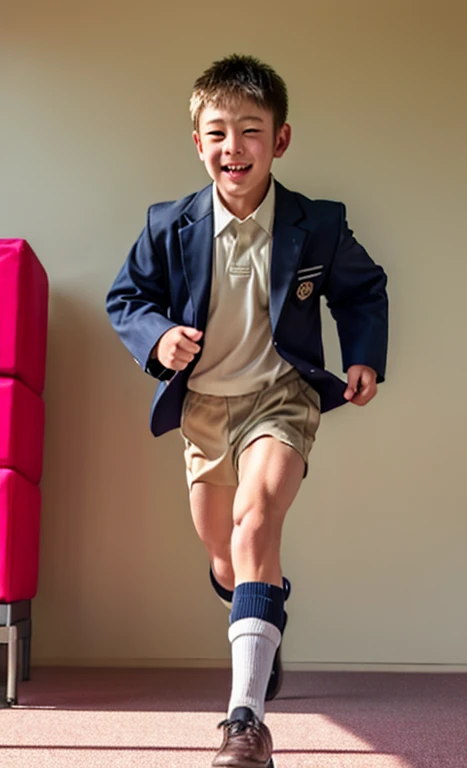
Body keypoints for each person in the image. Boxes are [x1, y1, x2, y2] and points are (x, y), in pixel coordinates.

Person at [106, 53, 388, 768]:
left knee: (257, 518)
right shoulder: (169, 225)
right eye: (220, 133)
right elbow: (126, 299)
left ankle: (244, 722)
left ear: (280, 141)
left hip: (279, 397)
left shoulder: (316, 225)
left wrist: (363, 356)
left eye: (251, 131)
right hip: (203, 404)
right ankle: (263, 620)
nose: (235, 148)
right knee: (225, 554)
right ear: (198, 142)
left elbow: (361, 289)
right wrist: (158, 337)